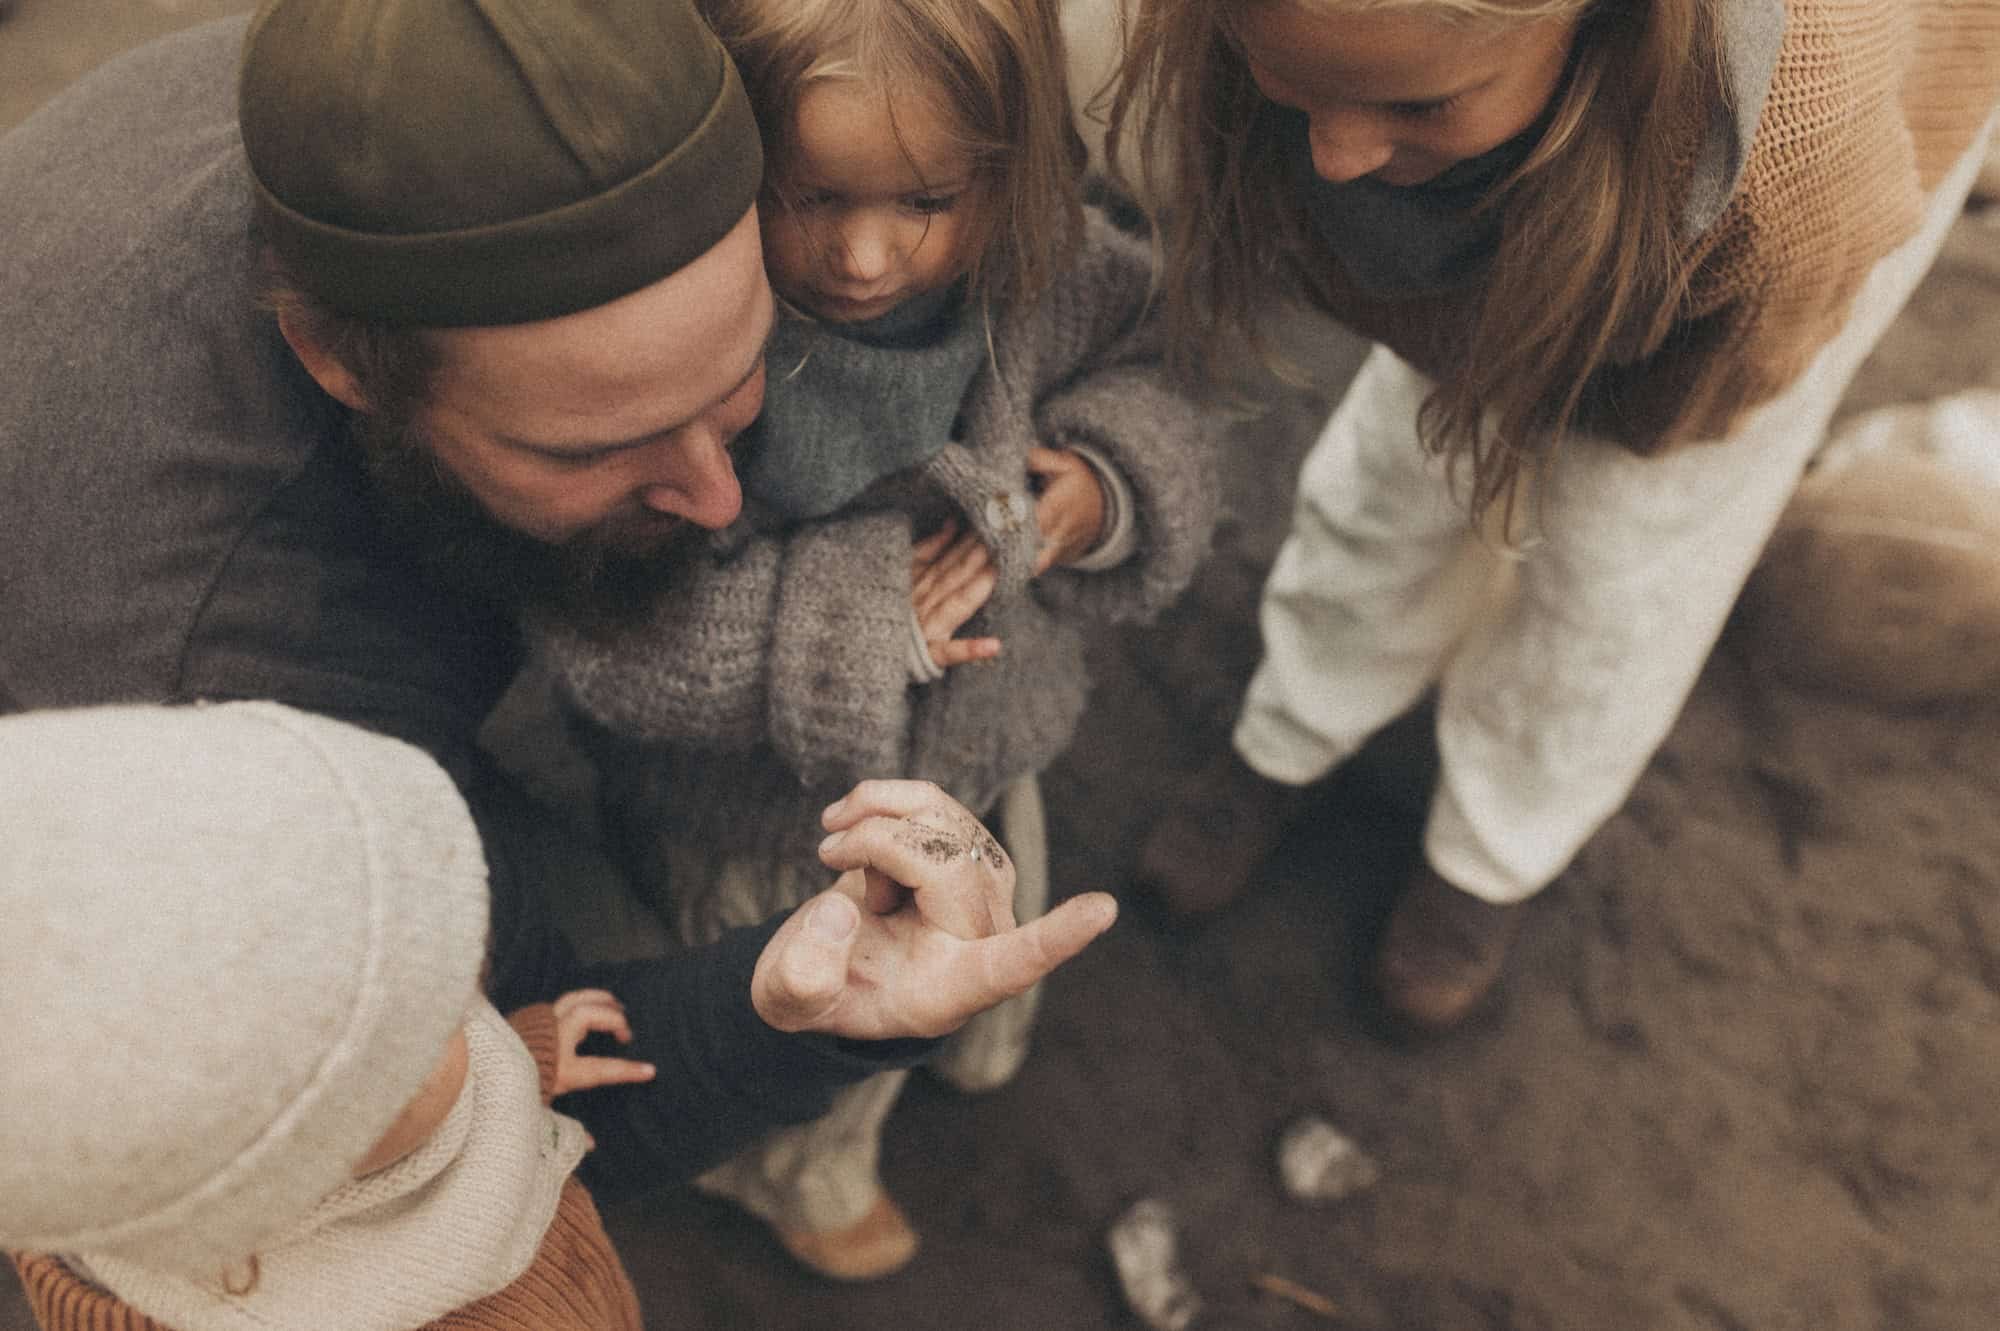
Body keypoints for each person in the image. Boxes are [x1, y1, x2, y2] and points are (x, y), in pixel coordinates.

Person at [0, 0, 1114, 1195]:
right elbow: (514, 1085)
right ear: (339, 363)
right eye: (593, 448)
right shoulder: (246, 684)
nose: (719, 500)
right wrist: (825, 1012)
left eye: (739, 382)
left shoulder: (534, 85)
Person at [1105, 0, 2000, 1031]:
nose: (1338, 155)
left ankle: (1492, 847)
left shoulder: (1792, 173)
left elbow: (1688, 406)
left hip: (1735, 260)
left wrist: (1557, 390)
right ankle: (1292, 726)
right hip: (1511, 152)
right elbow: (1387, 279)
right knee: (1403, 466)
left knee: (1617, 559)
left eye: (1412, 102)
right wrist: (1449, 330)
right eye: (1299, 89)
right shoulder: (1336, 65)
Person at [532, 0, 1218, 1279]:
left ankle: (964, 1017)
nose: (861, 252)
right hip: (757, 819)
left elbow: (1154, 373)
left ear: (1008, 169)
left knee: (982, 899)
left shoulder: (1054, 274)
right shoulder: (663, 350)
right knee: (802, 1003)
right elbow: (611, 629)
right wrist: (861, 618)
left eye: (922, 200)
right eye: (809, 196)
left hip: (979, 746)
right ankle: (798, 1168)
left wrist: (1103, 480)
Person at [0, 701, 1087, 1331]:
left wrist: (787, 1011)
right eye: (404, 1022)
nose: (463, 983)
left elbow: (502, 1137)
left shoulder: (381, 1102)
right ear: (253, 1218)